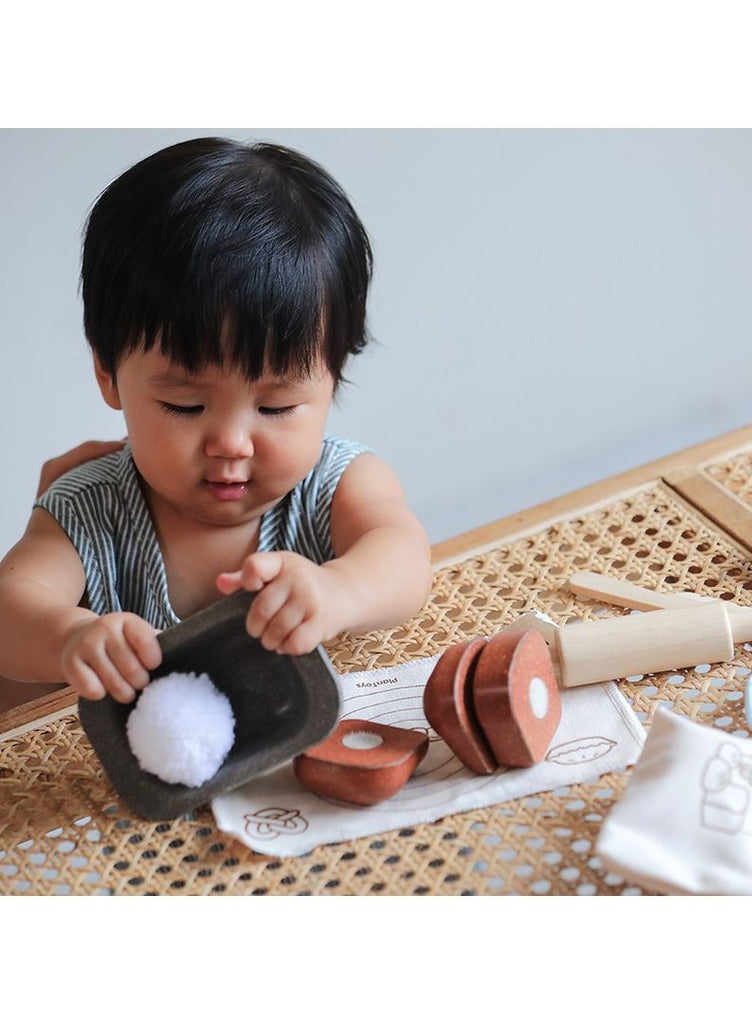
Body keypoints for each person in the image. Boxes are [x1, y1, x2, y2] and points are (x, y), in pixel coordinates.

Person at [0, 137, 433, 705]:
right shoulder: (89, 507)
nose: (231, 443)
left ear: (332, 374)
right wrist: (70, 635)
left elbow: (403, 557)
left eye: (276, 407)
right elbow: (11, 605)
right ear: (108, 372)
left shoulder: (339, 486)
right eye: (185, 404)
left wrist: (338, 591)